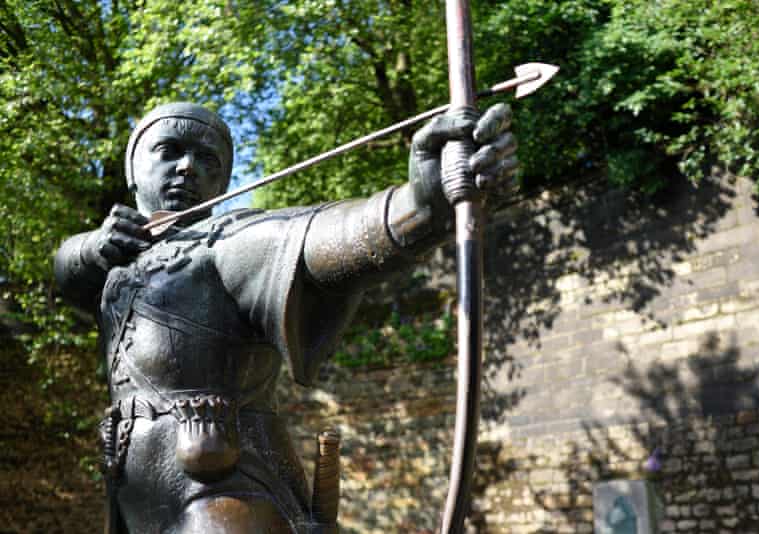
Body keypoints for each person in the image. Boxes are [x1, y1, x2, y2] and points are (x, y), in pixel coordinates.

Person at [53, 102, 517, 533]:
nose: (189, 167)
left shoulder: (232, 242)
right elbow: (65, 271)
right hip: (137, 488)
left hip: (224, 487)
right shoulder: (112, 259)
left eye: (208, 160)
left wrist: (422, 204)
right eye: (170, 151)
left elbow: (327, 238)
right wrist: (96, 246)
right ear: (134, 170)